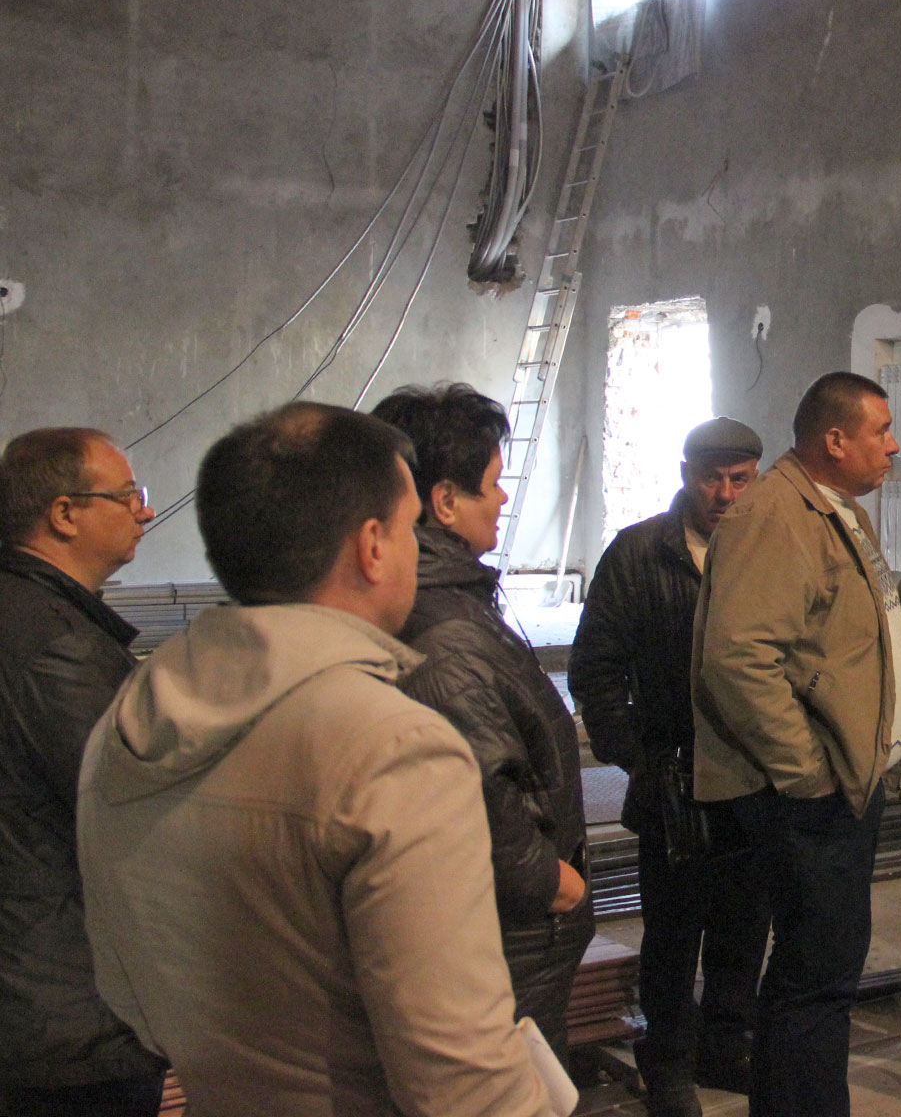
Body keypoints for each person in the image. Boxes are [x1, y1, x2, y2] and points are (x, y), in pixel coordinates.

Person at [75, 402, 552, 1116]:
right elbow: (464, 1082)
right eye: (409, 526)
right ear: (372, 547)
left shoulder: (127, 720)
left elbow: (124, 992)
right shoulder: (394, 749)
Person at [691, 372, 901, 1117]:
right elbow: (737, 659)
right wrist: (808, 772)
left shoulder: (835, 511)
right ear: (835, 440)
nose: (893, 446)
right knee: (813, 981)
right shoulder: (777, 516)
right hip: (808, 794)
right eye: (881, 431)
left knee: (824, 975)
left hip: (843, 782)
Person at [372, 383, 594, 1056]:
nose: (501, 498)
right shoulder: (444, 632)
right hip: (507, 937)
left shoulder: (448, 600)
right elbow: (475, 779)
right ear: (443, 501)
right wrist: (548, 881)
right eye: (493, 483)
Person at [571, 416, 772, 1115]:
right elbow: (595, 669)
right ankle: (669, 1065)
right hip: (673, 781)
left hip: (754, 775)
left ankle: (725, 1047)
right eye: (712, 478)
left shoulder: (770, 552)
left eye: (740, 480)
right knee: (673, 935)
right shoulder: (637, 555)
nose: (725, 494)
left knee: (744, 926)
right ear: (687, 475)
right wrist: (637, 756)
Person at [0, 429, 165, 1117]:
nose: (144, 510)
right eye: (127, 495)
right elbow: (130, 808)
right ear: (64, 514)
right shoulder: (55, 645)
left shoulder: (36, 618)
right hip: (65, 1014)